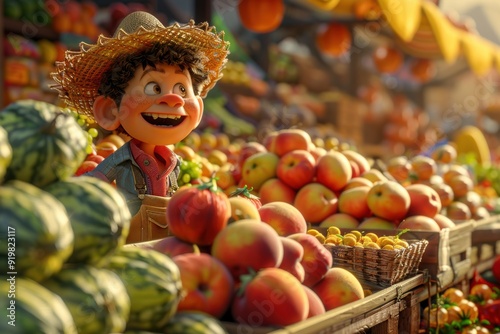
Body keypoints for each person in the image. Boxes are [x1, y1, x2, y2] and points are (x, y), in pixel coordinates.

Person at [51, 11, 230, 243]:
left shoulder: (174, 162)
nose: (173, 99)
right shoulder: (122, 158)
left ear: (199, 111)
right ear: (109, 110)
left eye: (182, 89)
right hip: (129, 236)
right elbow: (93, 181)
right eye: (154, 88)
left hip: (166, 238)